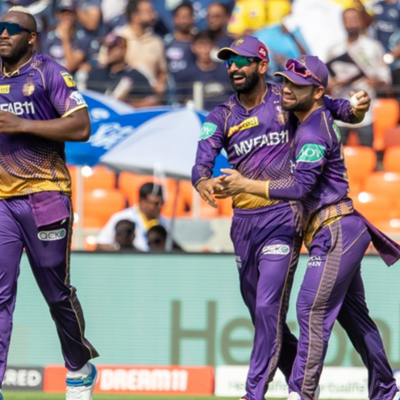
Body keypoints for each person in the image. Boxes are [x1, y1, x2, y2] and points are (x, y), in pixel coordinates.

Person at [191, 35, 370, 400]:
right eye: (229, 61)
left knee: (267, 307)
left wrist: (356, 109)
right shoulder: (221, 115)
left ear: (261, 66)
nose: (233, 67)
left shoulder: (285, 98)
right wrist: (203, 181)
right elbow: (201, 159)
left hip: (283, 216)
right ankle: (301, 388)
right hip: (243, 223)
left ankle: (254, 393)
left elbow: (333, 107)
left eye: (242, 61)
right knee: (263, 317)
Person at [0, 6, 98, 400]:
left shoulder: (49, 72)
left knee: (56, 293)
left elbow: (82, 126)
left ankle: (79, 369)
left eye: (12, 28)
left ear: (31, 37)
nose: (2, 34)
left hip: (46, 194)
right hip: (3, 201)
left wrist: (21, 124)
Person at [327, 7, 391, 148]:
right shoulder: (335, 49)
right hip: (340, 113)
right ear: (342, 22)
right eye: (347, 20)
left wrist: (376, 82)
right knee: (338, 156)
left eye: (354, 20)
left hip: (365, 114)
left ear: (361, 21)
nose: (351, 23)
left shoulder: (373, 47)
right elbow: (325, 80)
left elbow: (385, 77)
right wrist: (335, 82)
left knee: (367, 154)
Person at [86, 32, 158, 108]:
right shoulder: (97, 74)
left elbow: (153, 102)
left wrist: (127, 105)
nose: (109, 51)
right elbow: (85, 97)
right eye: (108, 48)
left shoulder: (136, 76)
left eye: (113, 48)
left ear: (124, 50)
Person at [115, 0, 168, 96]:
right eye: (149, 11)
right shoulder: (118, 38)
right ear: (136, 17)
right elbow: (105, 65)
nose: (154, 15)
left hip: (148, 97)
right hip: (123, 97)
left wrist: (160, 85)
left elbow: (163, 71)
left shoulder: (157, 42)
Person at [96, 182, 169, 252]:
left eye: (162, 203)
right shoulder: (122, 218)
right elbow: (101, 244)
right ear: (142, 201)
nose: (160, 206)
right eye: (156, 203)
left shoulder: (166, 223)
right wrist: (123, 252)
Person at [174, 30, 232, 110]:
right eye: (200, 45)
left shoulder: (226, 71)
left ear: (214, 46)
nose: (205, 50)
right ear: (193, 47)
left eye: (208, 45)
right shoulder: (185, 74)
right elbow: (180, 101)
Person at [164, 2, 196, 80]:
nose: (184, 21)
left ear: (193, 19)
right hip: (173, 86)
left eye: (187, 17)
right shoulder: (166, 42)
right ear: (174, 19)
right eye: (181, 17)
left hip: (194, 85)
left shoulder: (198, 42)